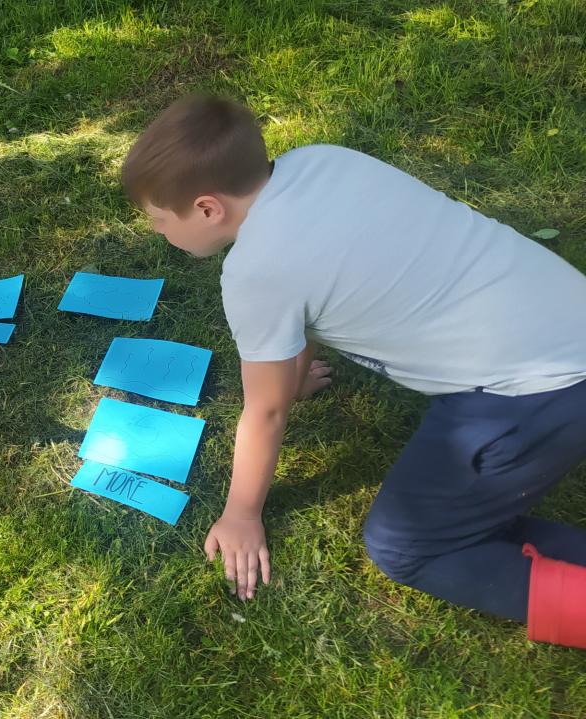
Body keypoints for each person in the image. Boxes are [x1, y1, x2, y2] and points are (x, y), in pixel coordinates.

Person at [119, 95, 586, 648]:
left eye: (158, 220)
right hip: (567, 316)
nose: (157, 232)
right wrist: (293, 375)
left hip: (540, 391)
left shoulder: (254, 275)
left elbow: (265, 411)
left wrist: (242, 514)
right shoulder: (322, 160)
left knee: (407, 546)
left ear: (206, 209)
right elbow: (321, 285)